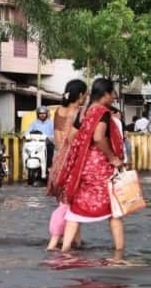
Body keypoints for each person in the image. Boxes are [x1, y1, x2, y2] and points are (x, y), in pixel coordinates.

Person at [54, 78, 126, 254]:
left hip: (82, 169)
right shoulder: (103, 112)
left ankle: (64, 251)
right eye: (112, 94)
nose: (113, 97)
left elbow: (72, 137)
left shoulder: (83, 112)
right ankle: (119, 253)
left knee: (75, 210)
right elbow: (98, 137)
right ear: (106, 94)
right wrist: (113, 158)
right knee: (114, 211)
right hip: (100, 169)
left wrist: (82, 152)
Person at [46, 79, 88, 250]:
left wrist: (60, 157)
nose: (86, 97)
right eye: (86, 94)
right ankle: (70, 242)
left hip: (58, 163)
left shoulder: (59, 111)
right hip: (74, 161)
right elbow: (79, 139)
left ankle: (72, 240)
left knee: (64, 204)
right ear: (80, 95)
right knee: (75, 205)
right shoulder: (81, 112)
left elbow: (57, 139)